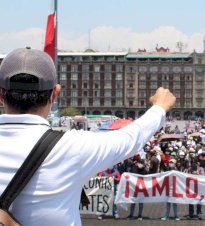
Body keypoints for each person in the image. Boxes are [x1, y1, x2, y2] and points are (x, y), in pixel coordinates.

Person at [0, 48, 176, 226]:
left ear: (1, 94)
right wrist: (159, 108)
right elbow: (131, 138)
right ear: (55, 94)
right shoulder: (73, 147)